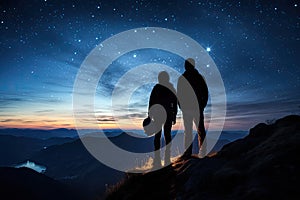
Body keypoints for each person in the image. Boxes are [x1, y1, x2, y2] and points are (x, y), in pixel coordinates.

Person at [177, 58, 208, 158]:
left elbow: (179, 94)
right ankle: (200, 152)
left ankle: (191, 153)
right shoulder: (196, 77)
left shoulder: (184, 78)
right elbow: (179, 94)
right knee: (198, 130)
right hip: (193, 108)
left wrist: (181, 106)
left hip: (192, 108)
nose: (186, 66)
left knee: (191, 131)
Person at [148, 71, 177, 167]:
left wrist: (150, 115)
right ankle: (166, 158)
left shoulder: (157, 88)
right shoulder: (170, 88)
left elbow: (151, 101)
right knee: (167, 135)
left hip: (158, 115)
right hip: (168, 114)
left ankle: (157, 159)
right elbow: (174, 103)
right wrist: (174, 115)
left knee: (158, 136)